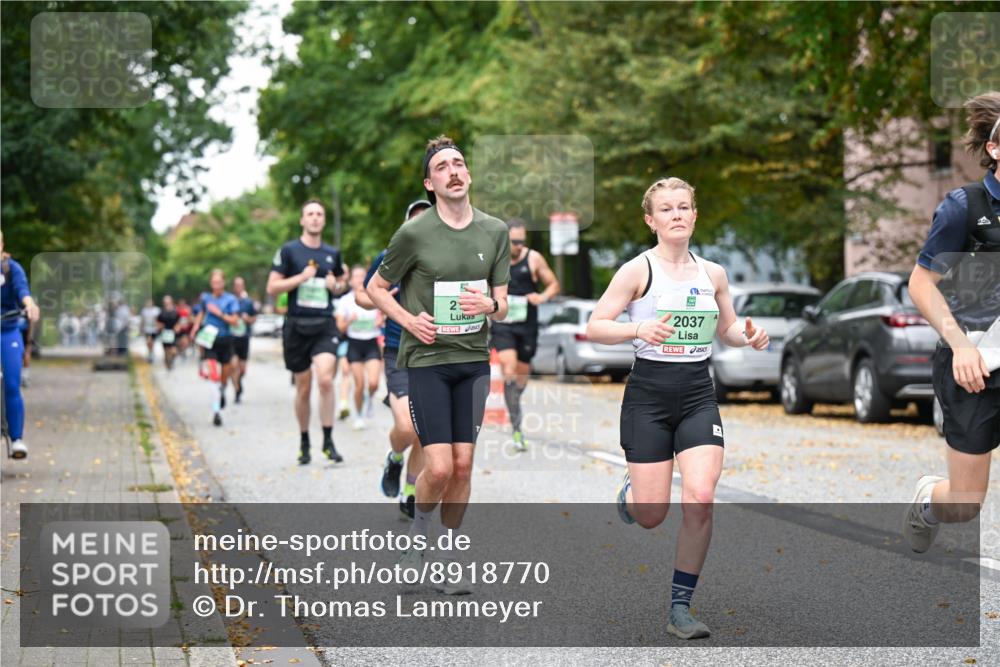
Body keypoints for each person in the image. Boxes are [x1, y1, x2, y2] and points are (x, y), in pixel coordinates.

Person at [586, 177, 769, 639]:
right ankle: (633, 492)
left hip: (697, 394)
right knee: (652, 515)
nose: (676, 215)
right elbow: (596, 326)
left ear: (694, 215)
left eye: (683, 207)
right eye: (666, 209)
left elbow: (727, 330)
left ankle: (680, 608)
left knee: (701, 497)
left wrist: (748, 336)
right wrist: (637, 330)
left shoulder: (713, 274)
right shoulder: (637, 270)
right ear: (651, 220)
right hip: (648, 396)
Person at [367, 136, 510, 594]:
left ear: (468, 174)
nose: (453, 171)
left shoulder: (495, 231)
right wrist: (409, 320)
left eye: (459, 163)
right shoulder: (414, 233)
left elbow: (503, 304)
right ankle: (417, 540)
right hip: (428, 360)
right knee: (441, 467)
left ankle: (447, 560)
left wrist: (489, 305)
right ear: (430, 184)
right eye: (442, 167)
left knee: (463, 466)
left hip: (473, 361)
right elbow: (375, 288)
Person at [903, 92, 1000, 554]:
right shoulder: (965, 207)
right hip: (974, 363)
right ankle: (928, 502)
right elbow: (921, 284)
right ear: (994, 148)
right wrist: (960, 345)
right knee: (964, 504)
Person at [359, 199, 432, 518]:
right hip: (398, 350)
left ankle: (411, 491)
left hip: (434, 352)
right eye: (414, 220)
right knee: (406, 426)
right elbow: (362, 295)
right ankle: (395, 457)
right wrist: (381, 299)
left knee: (425, 429)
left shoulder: (446, 260)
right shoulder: (390, 257)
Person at [266, 199, 348, 465]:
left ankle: (328, 440)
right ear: (302, 220)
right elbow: (272, 287)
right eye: (310, 214)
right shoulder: (289, 251)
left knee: (325, 380)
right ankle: (304, 441)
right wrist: (301, 278)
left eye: (319, 214)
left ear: (323, 220)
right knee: (303, 388)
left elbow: (340, 285)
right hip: (297, 326)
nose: (315, 218)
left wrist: (335, 285)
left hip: (324, 324)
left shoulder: (332, 253)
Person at [490, 218, 560, 451]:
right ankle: (516, 428)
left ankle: (513, 399)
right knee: (508, 368)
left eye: (522, 241)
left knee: (521, 376)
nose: (519, 245)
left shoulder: (534, 258)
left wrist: (542, 297)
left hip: (527, 324)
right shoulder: (495, 258)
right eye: (514, 241)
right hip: (503, 324)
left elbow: (553, 284)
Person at [1, 231, 41, 459]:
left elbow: (22, 290)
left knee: (11, 384)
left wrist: (29, 304)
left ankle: (16, 438)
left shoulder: (11, 268)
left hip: (7, 331)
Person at [190, 269, 241, 427]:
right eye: (213, 282)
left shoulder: (230, 299)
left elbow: (235, 321)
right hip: (209, 340)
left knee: (224, 375)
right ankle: (216, 411)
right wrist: (195, 327)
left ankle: (222, 389)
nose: (216, 285)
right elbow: (201, 313)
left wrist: (219, 313)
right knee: (213, 376)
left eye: (219, 282)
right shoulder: (206, 298)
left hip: (225, 339)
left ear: (224, 282)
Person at [336, 266, 383, 430]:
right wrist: (349, 320)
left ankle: (369, 400)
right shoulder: (345, 301)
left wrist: (381, 320)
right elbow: (340, 327)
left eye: (363, 275)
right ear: (351, 281)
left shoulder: (375, 296)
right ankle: (359, 415)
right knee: (359, 384)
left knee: (374, 382)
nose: (360, 279)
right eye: (356, 276)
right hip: (354, 344)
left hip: (371, 343)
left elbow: (385, 313)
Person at [230, 277, 257, 403]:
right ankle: (237, 390)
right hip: (231, 338)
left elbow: (254, 318)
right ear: (233, 287)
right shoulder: (229, 301)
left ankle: (238, 383)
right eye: (236, 285)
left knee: (242, 369)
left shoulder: (248, 302)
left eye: (241, 285)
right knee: (233, 365)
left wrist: (248, 319)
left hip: (244, 338)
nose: (238, 287)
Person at [156, 295, 181, 371]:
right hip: (165, 333)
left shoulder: (175, 311)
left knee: (174, 351)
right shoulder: (161, 312)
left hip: (173, 333)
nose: (167, 303)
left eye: (168, 302)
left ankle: (171, 360)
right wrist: (160, 326)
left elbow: (179, 321)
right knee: (166, 351)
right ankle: (167, 363)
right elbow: (158, 322)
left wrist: (178, 327)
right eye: (165, 302)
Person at [140, 298, 161, 363]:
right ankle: (150, 353)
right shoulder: (144, 310)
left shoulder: (156, 310)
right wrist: (141, 328)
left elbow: (159, 319)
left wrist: (158, 327)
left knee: (151, 342)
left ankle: (151, 353)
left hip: (154, 329)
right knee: (148, 342)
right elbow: (143, 320)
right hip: (147, 329)